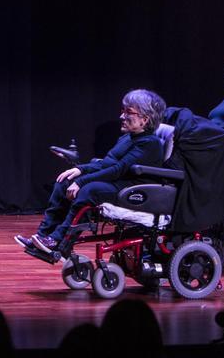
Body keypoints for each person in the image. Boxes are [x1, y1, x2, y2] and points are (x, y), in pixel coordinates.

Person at [15, 89, 166, 253]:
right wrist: (80, 170)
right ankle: (42, 236)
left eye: (128, 112)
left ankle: (59, 241)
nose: (122, 116)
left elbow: (117, 169)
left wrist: (82, 181)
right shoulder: (127, 138)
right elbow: (106, 163)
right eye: (122, 111)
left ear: (145, 119)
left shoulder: (150, 144)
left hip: (132, 189)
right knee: (64, 182)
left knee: (89, 190)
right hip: (118, 182)